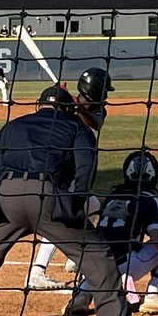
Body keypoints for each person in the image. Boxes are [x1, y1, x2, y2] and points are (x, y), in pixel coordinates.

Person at [0, 86, 146, 316]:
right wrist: (73, 204)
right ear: (68, 109)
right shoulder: (77, 128)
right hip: (49, 197)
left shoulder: (13, 126)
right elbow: (86, 168)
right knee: (96, 255)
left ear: (38, 105)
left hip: (8, 195)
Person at [65, 150, 158, 316]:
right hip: (126, 266)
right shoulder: (150, 198)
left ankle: (81, 296)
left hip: (96, 264)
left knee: (103, 254)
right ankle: (156, 295)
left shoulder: (112, 194)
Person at [28, 66, 116, 289]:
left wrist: (77, 107)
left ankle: (74, 258)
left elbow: (96, 123)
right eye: (104, 90)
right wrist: (58, 97)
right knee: (63, 216)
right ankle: (37, 270)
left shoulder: (97, 108)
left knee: (93, 206)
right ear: (95, 88)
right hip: (59, 166)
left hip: (75, 168)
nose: (105, 95)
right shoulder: (66, 101)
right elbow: (45, 112)